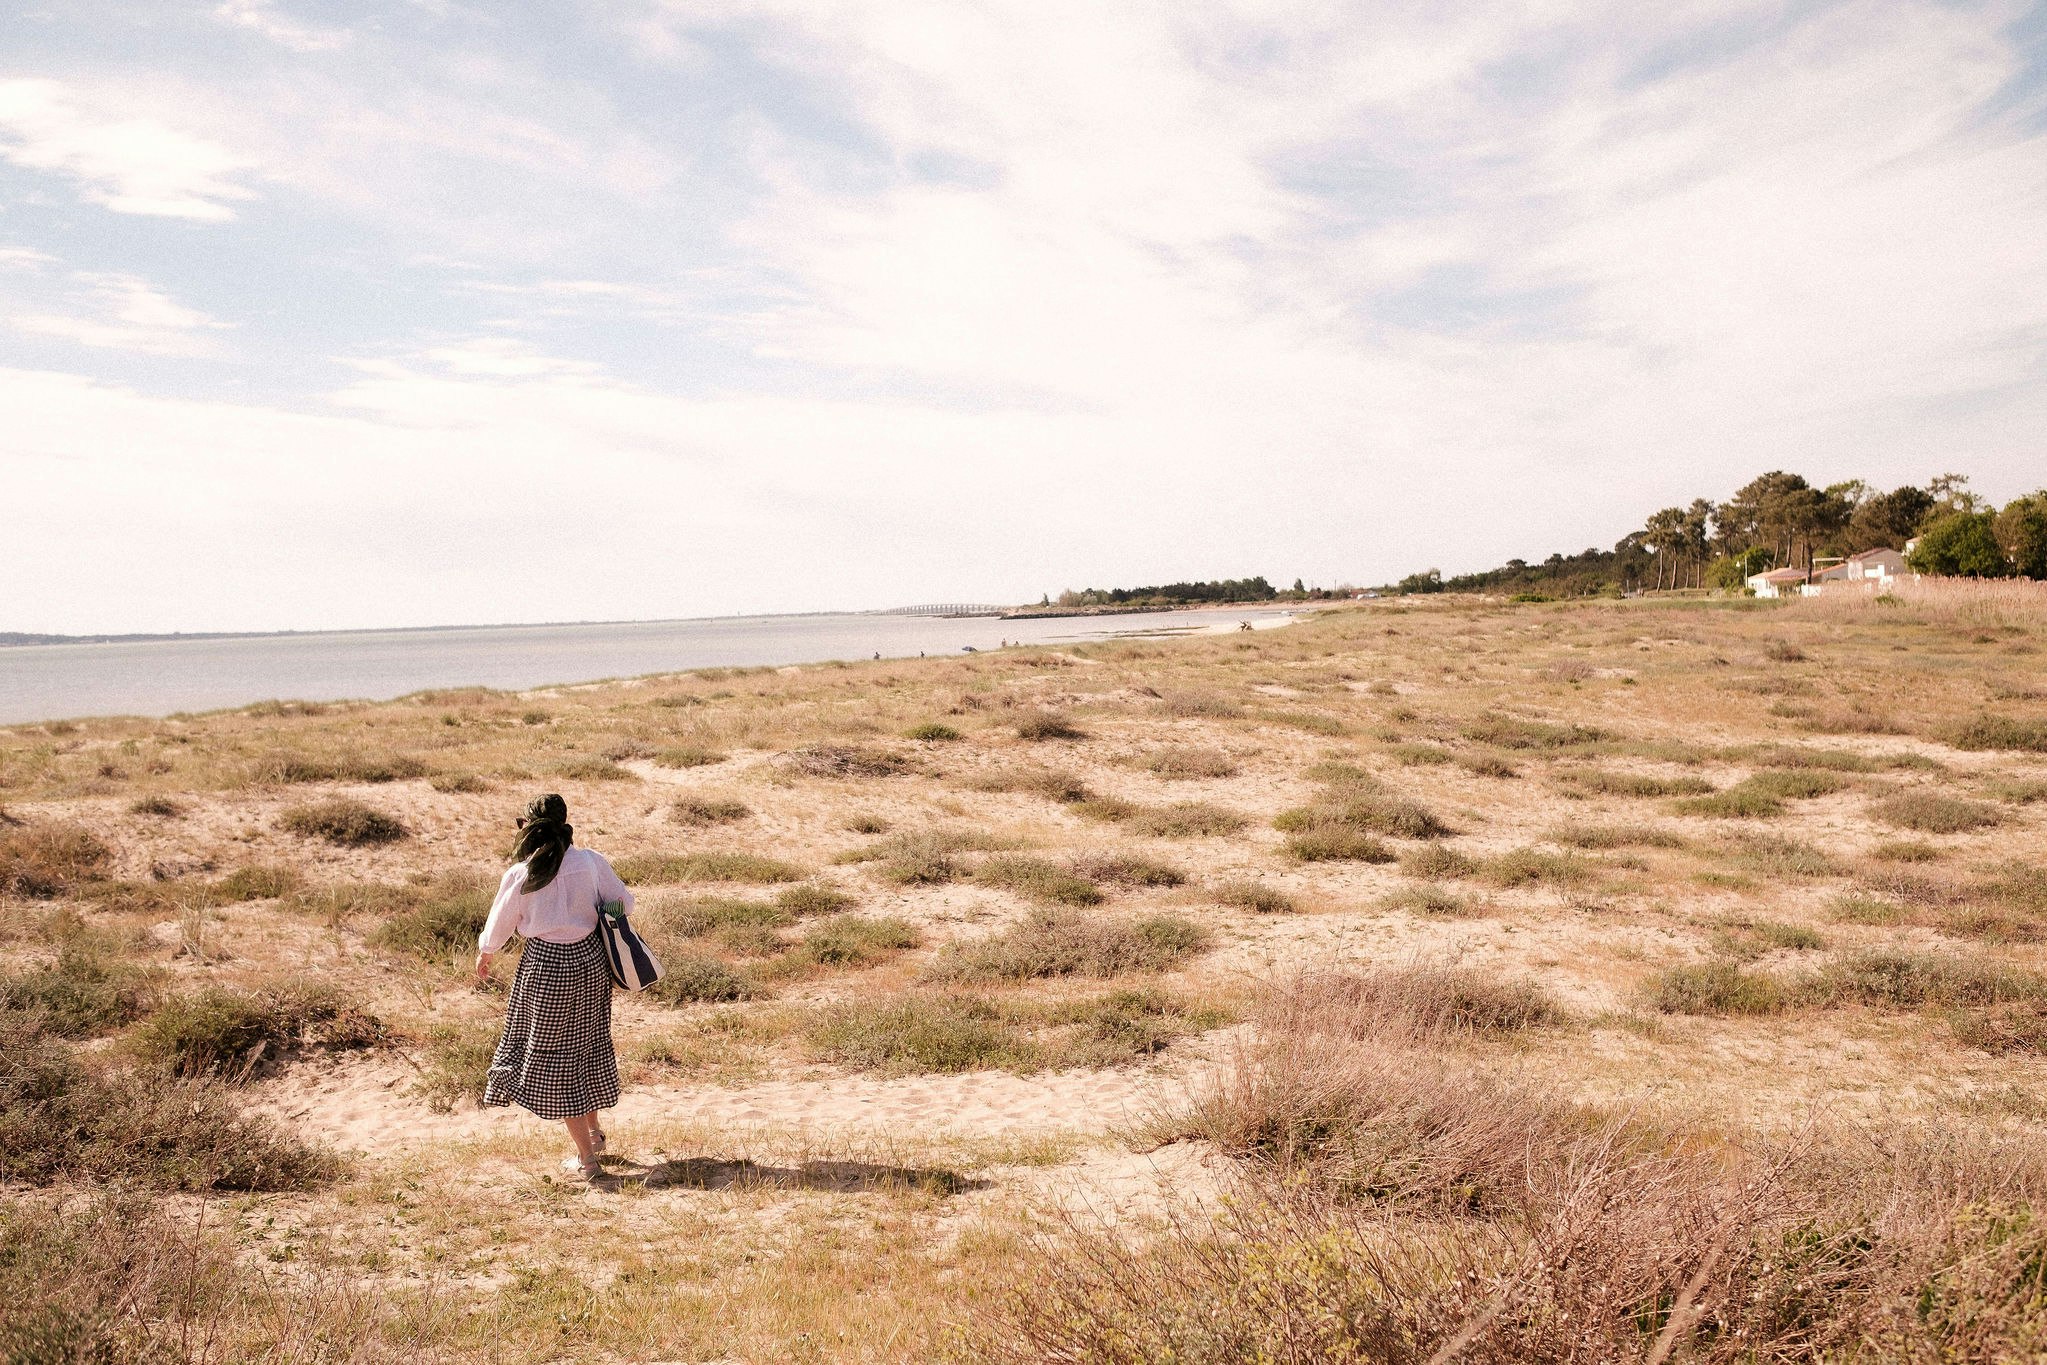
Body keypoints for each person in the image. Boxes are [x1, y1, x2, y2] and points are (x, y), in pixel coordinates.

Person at [474, 793, 626, 1182]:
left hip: (545, 967)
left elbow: (501, 923)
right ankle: (594, 1137)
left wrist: (486, 954)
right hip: (592, 963)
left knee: (556, 1057)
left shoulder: (521, 872)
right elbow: (623, 903)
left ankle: (589, 1163)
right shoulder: (591, 862)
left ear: (527, 827)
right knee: (587, 1044)